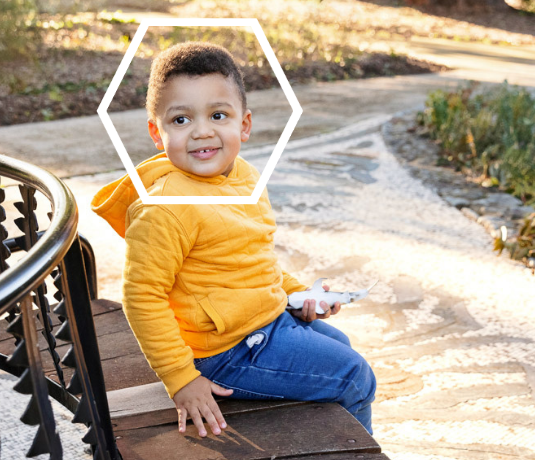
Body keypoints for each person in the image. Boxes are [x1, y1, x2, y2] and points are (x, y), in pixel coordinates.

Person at [91, 41, 376, 438]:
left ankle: (315, 435)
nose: (202, 131)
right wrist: (180, 379)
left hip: (262, 323)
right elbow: (142, 298)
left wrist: (296, 294)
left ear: (243, 124)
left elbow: (249, 258)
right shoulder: (165, 208)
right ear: (157, 132)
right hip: (224, 352)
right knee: (355, 377)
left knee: (339, 342)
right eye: (181, 120)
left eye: (218, 115)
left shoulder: (243, 176)